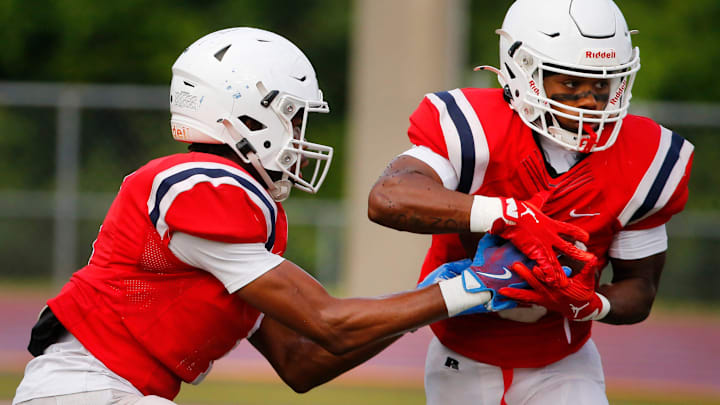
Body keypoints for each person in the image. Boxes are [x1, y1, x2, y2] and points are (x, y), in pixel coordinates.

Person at [12, 27, 516, 405]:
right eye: (293, 117)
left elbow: (304, 361)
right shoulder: (201, 186)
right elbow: (327, 322)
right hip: (85, 390)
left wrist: (429, 300)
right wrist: (463, 288)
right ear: (248, 112)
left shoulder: (236, 217)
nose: (298, 137)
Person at [367, 0, 694, 404]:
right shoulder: (475, 129)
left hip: (564, 363)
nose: (591, 101)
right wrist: (507, 215)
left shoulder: (646, 158)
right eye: (571, 84)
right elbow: (389, 196)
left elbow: (639, 288)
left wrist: (589, 302)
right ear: (523, 71)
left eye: (601, 85)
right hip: (460, 356)